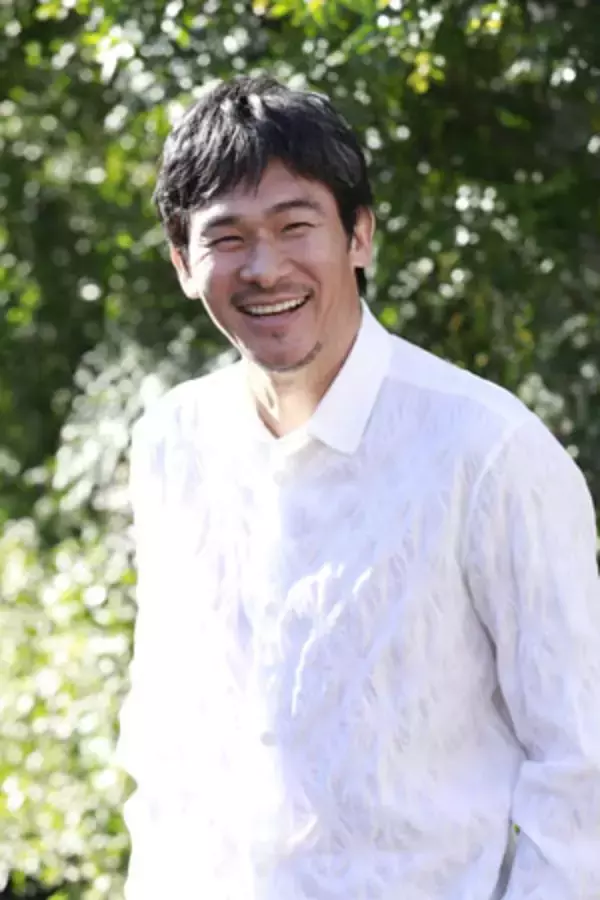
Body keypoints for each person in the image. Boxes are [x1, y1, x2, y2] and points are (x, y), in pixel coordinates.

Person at [116, 74, 600, 900]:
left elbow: (582, 768)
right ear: (183, 265)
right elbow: (164, 739)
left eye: (295, 226)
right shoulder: (171, 442)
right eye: (227, 237)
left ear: (360, 236)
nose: (264, 267)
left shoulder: (487, 451)